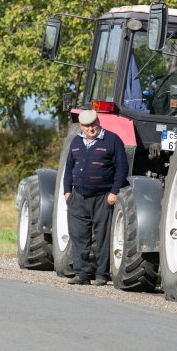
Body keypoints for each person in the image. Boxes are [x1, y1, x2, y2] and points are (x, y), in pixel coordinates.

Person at [63, 110, 128, 285]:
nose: (91, 129)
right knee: (78, 236)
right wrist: (67, 192)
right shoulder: (76, 141)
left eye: (93, 124)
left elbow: (122, 168)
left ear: (98, 122)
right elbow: (69, 168)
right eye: (86, 126)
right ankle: (82, 274)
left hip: (103, 197)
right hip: (77, 197)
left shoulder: (112, 140)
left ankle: (101, 275)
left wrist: (114, 193)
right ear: (81, 127)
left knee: (102, 237)